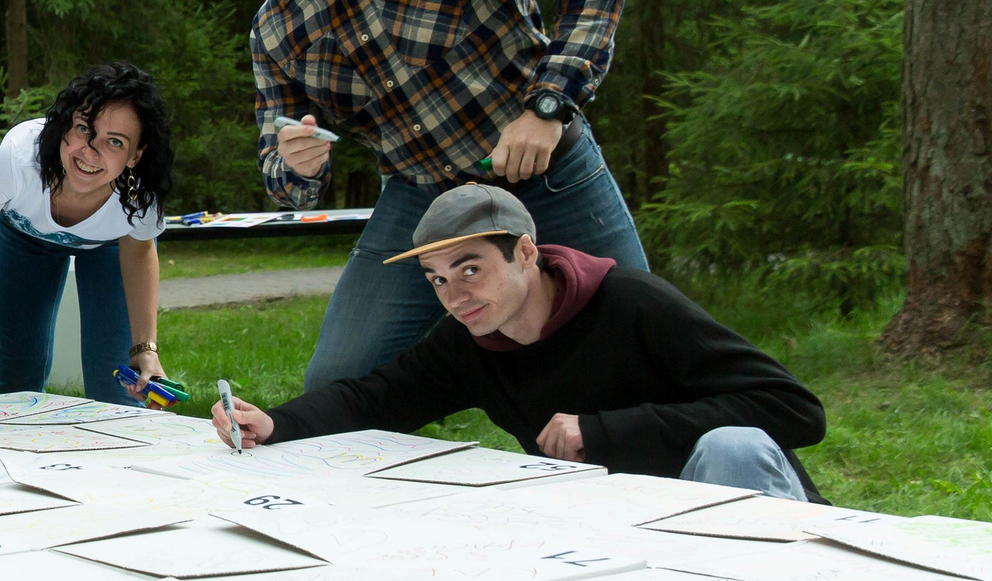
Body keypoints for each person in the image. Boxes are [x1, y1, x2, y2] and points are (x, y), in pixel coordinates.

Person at [226, 0, 649, 392]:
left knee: (645, 344)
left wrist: (548, 106)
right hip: (421, 202)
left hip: (547, 172)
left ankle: (745, 470)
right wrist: (296, 164)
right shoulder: (276, 30)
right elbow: (284, 180)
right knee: (336, 382)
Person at [211, 185, 826, 498]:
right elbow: (377, 397)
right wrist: (276, 424)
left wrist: (605, 431)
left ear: (526, 253)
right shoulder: (469, 338)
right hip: (636, 531)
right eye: (437, 280)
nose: (454, 295)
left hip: (745, 508)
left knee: (733, 445)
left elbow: (793, 409)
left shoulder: (632, 303)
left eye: (471, 269)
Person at [0, 62, 172, 409]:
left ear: (136, 155)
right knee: (16, 383)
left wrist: (145, 349)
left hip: (108, 247)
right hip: (25, 237)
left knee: (118, 388)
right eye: (83, 128)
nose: (90, 151)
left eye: (114, 142)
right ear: (63, 125)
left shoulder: (143, 191)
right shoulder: (20, 158)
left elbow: (138, 253)